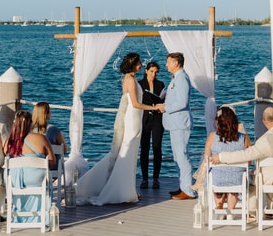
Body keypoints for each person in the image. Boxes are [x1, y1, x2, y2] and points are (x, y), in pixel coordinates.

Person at [74, 52, 161, 205]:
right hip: (133, 119)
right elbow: (135, 104)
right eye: (140, 62)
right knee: (128, 154)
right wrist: (154, 108)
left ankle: (129, 189)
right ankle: (123, 190)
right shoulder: (131, 81)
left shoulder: (129, 79)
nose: (141, 64)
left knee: (130, 154)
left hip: (133, 117)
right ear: (134, 64)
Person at [210, 106, 273, 213]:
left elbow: (246, 155)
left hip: (272, 178)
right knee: (265, 174)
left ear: (264, 122)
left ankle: (252, 213)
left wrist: (221, 157)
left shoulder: (265, 140)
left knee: (252, 182)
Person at [3, 110, 56, 221]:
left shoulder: (9, 141)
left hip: (14, 181)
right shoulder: (40, 138)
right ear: (31, 123)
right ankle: (41, 217)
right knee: (46, 175)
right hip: (36, 179)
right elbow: (52, 162)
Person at [158, 52, 195, 200]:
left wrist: (165, 107)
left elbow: (182, 102)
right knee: (177, 156)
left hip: (180, 123)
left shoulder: (182, 79)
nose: (166, 65)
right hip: (174, 124)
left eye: (168, 62)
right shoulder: (176, 78)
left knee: (182, 156)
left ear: (176, 63)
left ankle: (188, 190)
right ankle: (183, 186)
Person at [203, 106, 251, 211]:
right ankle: (230, 211)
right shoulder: (244, 138)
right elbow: (248, 162)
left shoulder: (212, 137)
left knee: (215, 176)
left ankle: (219, 206)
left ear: (218, 122)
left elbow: (206, 160)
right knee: (233, 184)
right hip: (238, 179)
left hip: (217, 179)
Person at [138, 61, 166, 189]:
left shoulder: (160, 84)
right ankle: (144, 179)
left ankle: (156, 178)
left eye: (156, 72)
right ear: (146, 71)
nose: (154, 74)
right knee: (144, 149)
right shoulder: (140, 84)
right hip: (144, 119)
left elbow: (163, 99)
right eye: (151, 71)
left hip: (157, 120)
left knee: (157, 148)